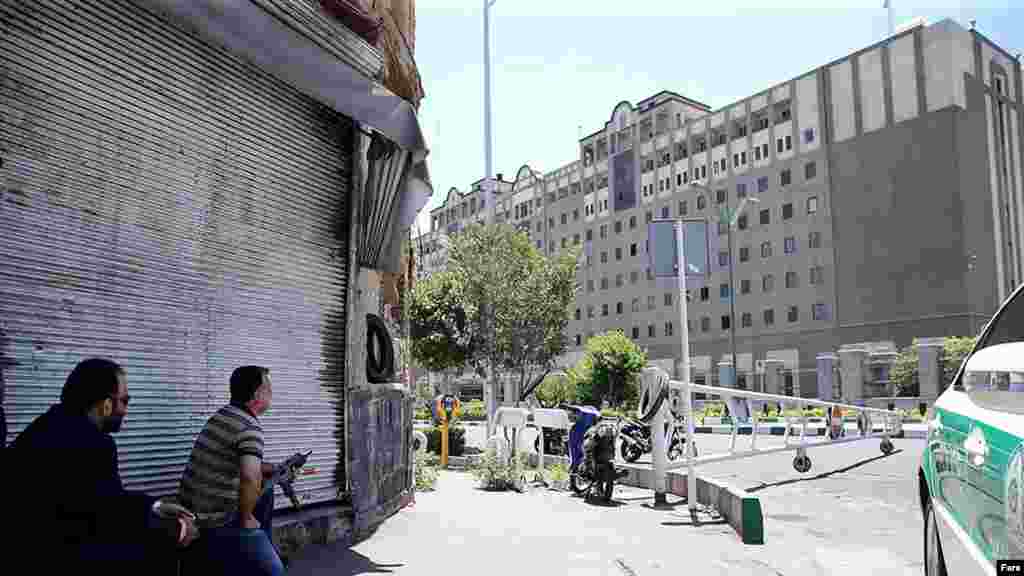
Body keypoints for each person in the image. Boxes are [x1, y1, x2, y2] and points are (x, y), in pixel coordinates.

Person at [4, 358, 198, 571]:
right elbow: (108, 517)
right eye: (125, 401)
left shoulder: (48, 423)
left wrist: (157, 506)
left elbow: (101, 498)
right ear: (106, 404)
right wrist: (176, 530)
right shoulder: (94, 444)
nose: (125, 410)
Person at [178, 366, 285, 575]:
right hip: (214, 518)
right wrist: (246, 518)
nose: (272, 392)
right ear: (256, 394)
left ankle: (255, 553)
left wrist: (270, 468)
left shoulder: (223, 415)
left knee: (266, 491)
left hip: (191, 506)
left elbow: (228, 460)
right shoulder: (250, 427)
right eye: (268, 388)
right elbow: (249, 476)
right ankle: (258, 555)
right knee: (275, 571)